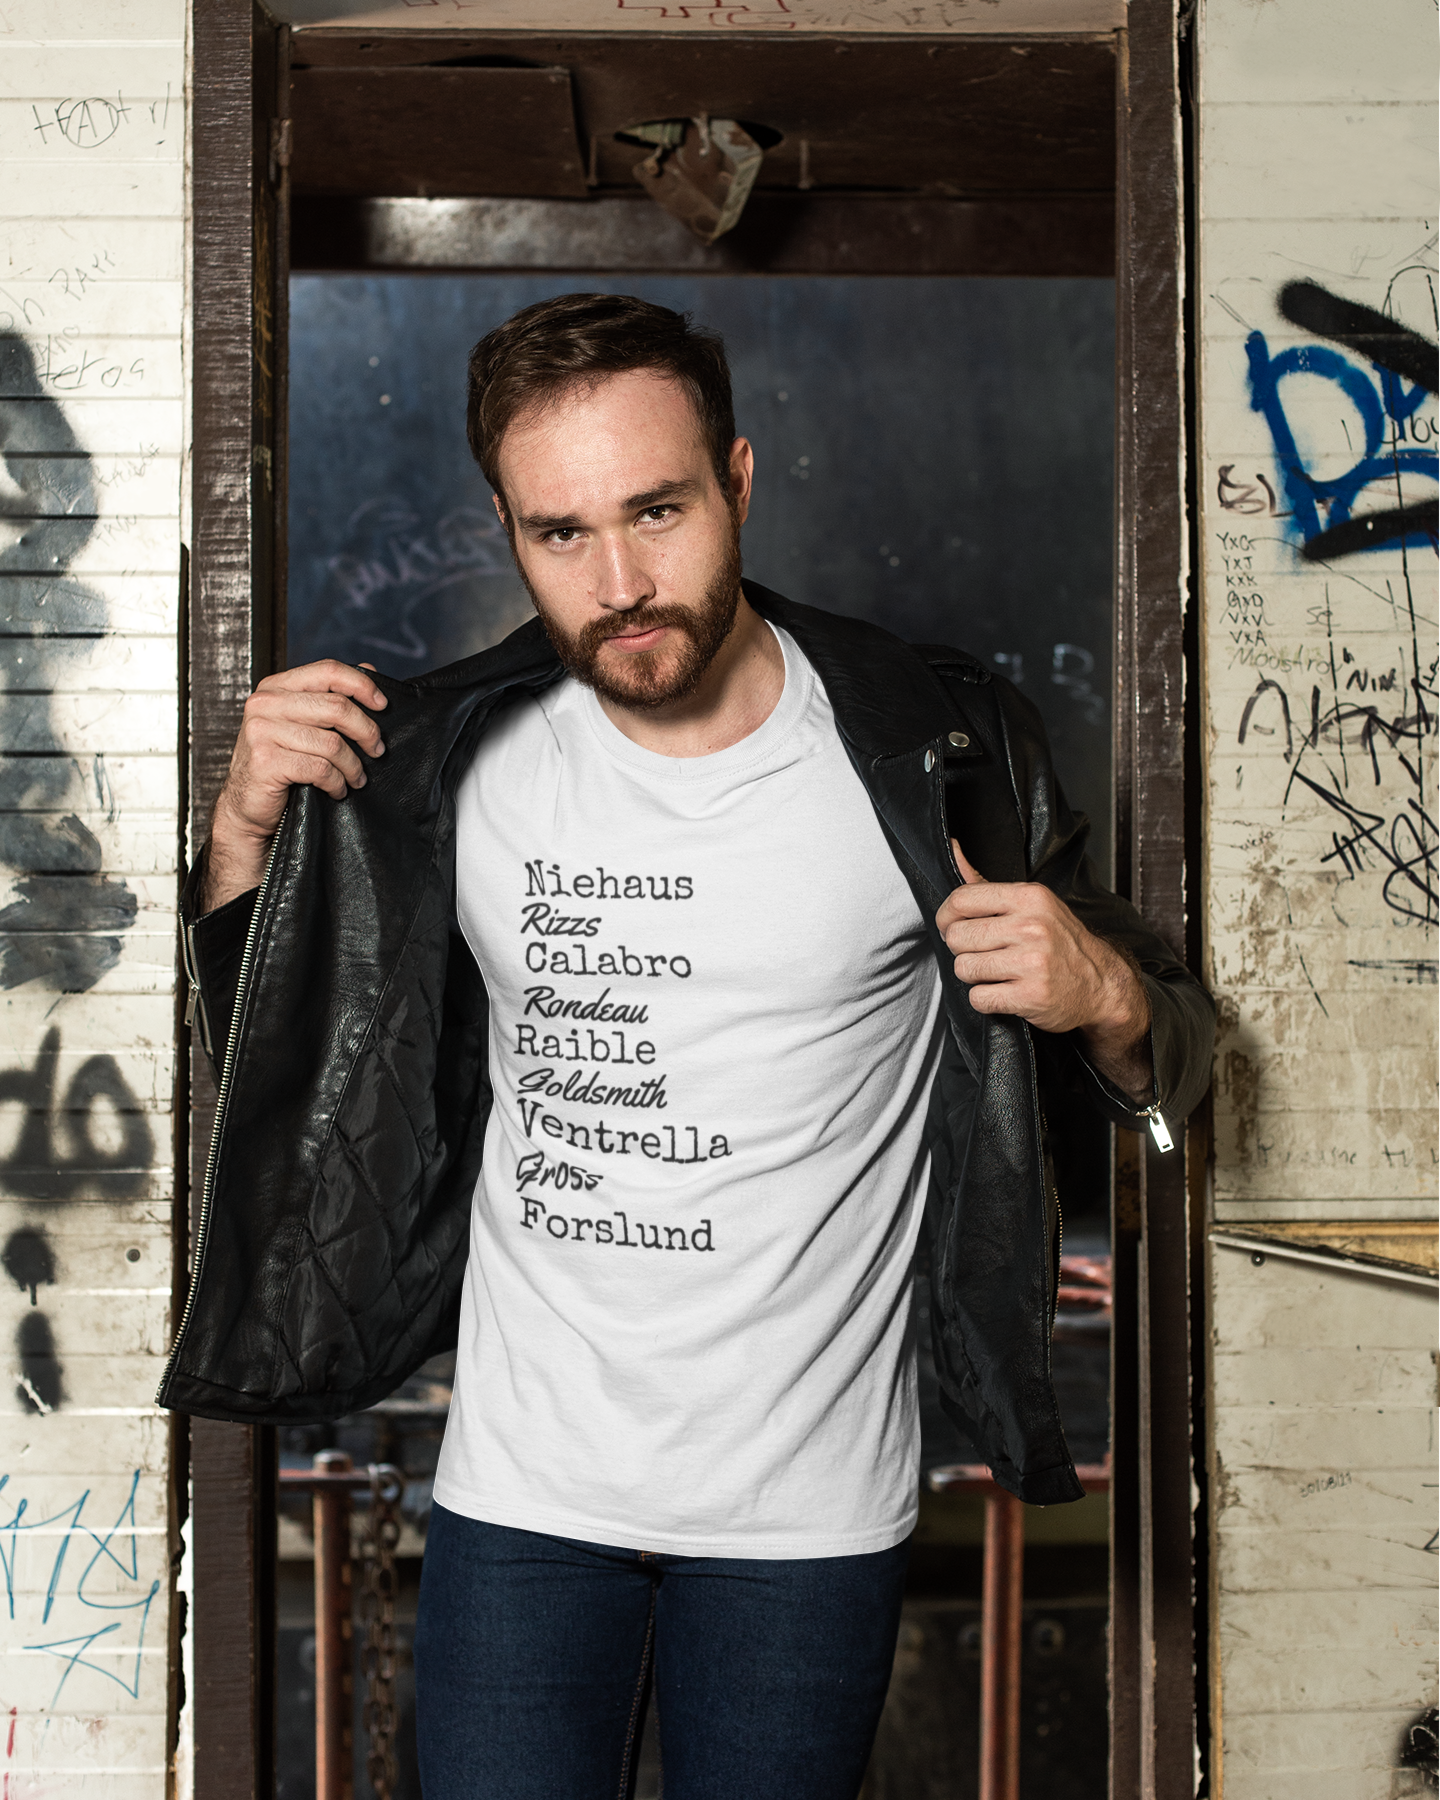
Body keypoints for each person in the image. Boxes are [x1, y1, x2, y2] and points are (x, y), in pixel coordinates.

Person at [166, 294, 1213, 1799]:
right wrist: (242, 835)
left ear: (737, 480)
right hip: (523, 1496)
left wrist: (1103, 991)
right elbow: (296, 1080)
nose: (620, 584)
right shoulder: (444, 761)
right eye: (562, 532)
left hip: (808, 1516)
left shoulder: (934, 751)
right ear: (511, 534)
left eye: (656, 511)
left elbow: (1167, 1057)